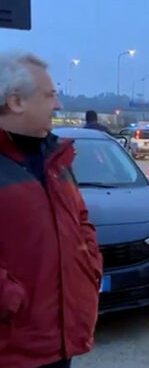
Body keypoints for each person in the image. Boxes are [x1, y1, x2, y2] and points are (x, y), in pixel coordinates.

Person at [0, 51, 102, 368]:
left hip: (59, 341)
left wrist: (90, 264)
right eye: (49, 96)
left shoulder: (55, 159)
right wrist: (9, 298)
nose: (57, 105)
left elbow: (80, 219)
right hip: (12, 345)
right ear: (16, 102)